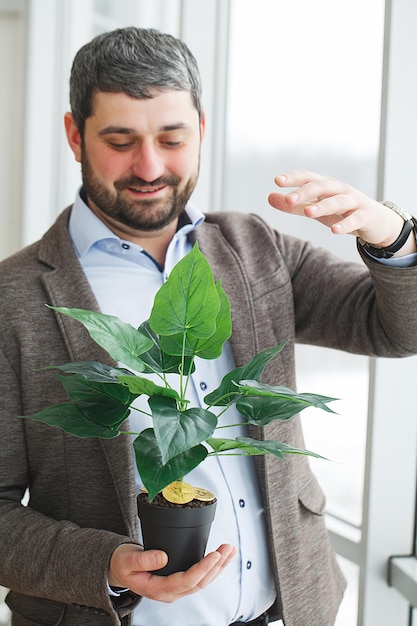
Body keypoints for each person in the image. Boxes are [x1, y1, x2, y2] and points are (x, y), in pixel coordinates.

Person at [0, 26, 416, 626]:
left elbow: (398, 330)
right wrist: (106, 564)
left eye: (172, 138)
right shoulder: (15, 297)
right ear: (75, 136)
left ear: (200, 128)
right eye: (120, 140)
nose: (149, 166)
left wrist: (392, 236)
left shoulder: (254, 249)